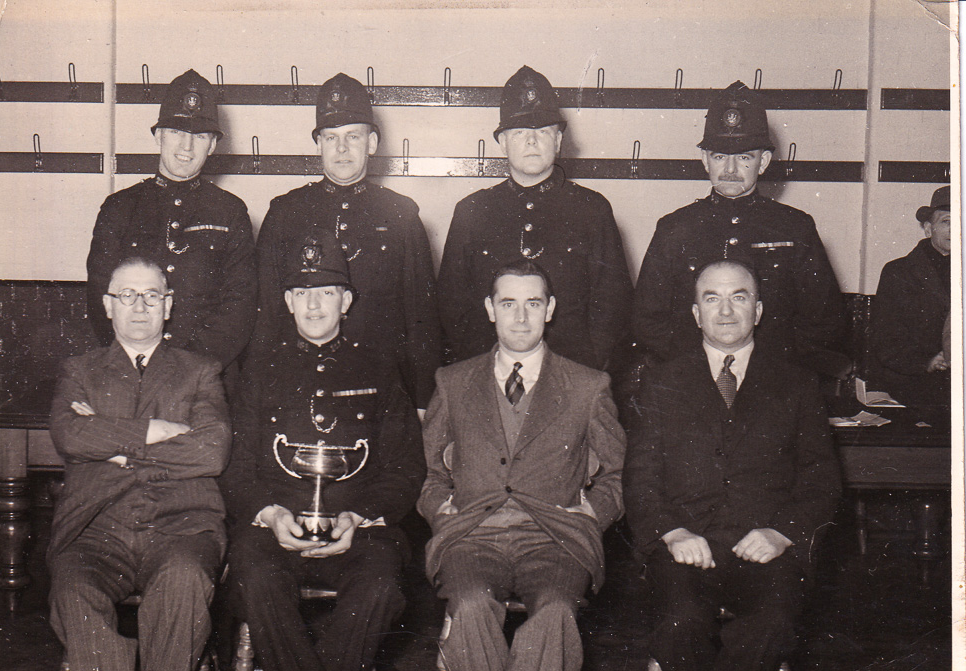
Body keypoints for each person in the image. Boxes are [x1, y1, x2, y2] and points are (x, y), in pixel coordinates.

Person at [625, 259, 841, 671]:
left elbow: (821, 479)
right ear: (696, 313)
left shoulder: (797, 382)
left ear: (758, 310)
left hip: (766, 550)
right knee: (680, 624)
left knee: (773, 626)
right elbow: (639, 477)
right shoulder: (661, 381)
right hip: (685, 548)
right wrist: (673, 531)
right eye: (712, 298)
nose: (726, 310)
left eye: (738, 297)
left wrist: (783, 533)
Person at [222, 228, 425, 671]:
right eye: (304, 293)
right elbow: (237, 464)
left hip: (361, 529)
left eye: (327, 292)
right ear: (289, 301)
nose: (315, 305)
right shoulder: (259, 368)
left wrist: (360, 516)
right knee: (256, 579)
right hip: (276, 528)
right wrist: (270, 513)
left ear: (346, 300)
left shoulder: (379, 366)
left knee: (382, 585)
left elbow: (405, 469)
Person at [418, 259, 625, 671]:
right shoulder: (452, 381)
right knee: (470, 607)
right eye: (508, 304)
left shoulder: (588, 386)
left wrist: (592, 513)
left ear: (550, 309)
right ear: (490, 309)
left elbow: (614, 474)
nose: (520, 317)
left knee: (555, 614)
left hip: (555, 537)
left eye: (533, 304)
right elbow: (430, 473)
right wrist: (440, 508)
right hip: (472, 535)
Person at [48, 257, 231, 671]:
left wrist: (114, 443)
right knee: (72, 591)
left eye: (152, 295)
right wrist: (155, 430)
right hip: (95, 529)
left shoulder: (200, 370)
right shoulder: (79, 370)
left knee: (185, 581)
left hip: (181, 526)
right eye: (127, 296)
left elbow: (211, 452)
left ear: (168, 306)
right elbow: (70, 435)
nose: (140, 306)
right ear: (108, 306)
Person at [251, 72, 441, 412]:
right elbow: (267, 315)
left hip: (382, 385)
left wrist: (423, 401)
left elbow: (420, 319)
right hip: (300, 382)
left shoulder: (401, 216)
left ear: (371, 143)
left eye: (353, 137)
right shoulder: (285, 214)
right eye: (331, 137)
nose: (341, 149)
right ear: (318, 144)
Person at [632, 80, 845, 378]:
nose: (730, 170)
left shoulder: (795, 227)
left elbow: (825, 320)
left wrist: (775, 367)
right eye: (720, 157)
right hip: (691, 378)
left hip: (772, 381)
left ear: (764, 162)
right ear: (704, 160)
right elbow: (647, 319)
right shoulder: (674, 228)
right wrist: (694, 366)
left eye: (744, 157)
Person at [436, 65, 633, 376]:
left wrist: (586, 373)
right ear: (502, 143)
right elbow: (452, 305)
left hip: (571, 373)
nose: (531, 142)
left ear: (558, 141)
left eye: (542, 132)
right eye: (519, 133)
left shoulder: (592, 210)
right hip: (488, 374)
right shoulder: (472, 211)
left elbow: (612, 306)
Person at [86, 68, 256, 381]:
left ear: (213, 145)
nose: (186, 147)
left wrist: (186, 371)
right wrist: (139, 363)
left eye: (200, 136)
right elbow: (101, 296)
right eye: (177, 132)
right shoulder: (119, 208)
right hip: (131, 375)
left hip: (205, 377)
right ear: (158, 136)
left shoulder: (230, 213)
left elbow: (239, 308)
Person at [870, 185, 952, 410]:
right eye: (946, 222)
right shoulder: (899, 272)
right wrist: (927, 363)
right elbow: (885, 340)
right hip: (916, 383)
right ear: (928, 229)